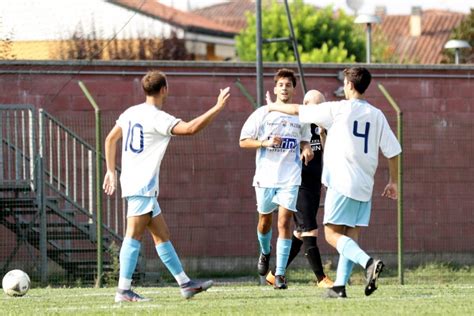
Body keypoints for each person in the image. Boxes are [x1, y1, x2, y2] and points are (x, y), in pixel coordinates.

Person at [267, 67, 401, 298]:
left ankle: (368, 262)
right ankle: (340, 286)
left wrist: (272, 106)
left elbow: (298, 109)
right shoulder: (377, 114)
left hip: (341, 182)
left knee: (331, 235)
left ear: (348, 85)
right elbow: (394, 151)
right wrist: (393, 181)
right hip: (365, 185)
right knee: (350, 236)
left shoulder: (339, 109)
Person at [103, 70, 230, 302]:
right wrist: (218, 107)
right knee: (133, 235)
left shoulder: (131, 112)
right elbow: (191, 128)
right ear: (164, 90)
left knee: (162, 235)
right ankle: (123, 290)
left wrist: (111, 171)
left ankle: (185, 284)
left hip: (136, 183)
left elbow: (110, 139)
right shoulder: (158, 118)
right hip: (142, 185)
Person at [239, 68, 313, 290]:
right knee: (265, 222)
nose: (284, 88)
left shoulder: (300, 115)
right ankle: (265, 251)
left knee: (284, 222)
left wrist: (307, 148)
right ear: (275, 88)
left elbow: (305, 140)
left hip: (290, 177)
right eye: (280, 85)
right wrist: (265, 143)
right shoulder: (263, 113)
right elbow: (243, 141)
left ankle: (280, 274)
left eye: (288, 85)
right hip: (265, 177)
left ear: (293, 89)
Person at [265, 90, 333, 289]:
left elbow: (326, 154)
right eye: (315, 105)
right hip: (299, 182)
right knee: (310, 229)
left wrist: (323, 134)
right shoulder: (297, 122)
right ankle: (321, 278)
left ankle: (274, 274)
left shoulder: (324, 125)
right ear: (305, 104)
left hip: (315, 182)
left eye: (322, 105)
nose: (320, 109)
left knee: (300, 232)